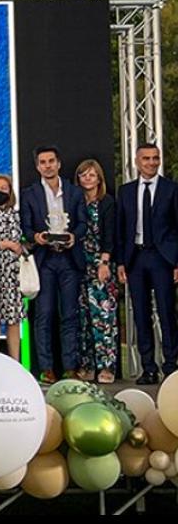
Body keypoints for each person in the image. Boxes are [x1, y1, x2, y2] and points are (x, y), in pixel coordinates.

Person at [20, 145, 87, 383]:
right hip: (44, 260)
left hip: (69, 259)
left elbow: (82, 223)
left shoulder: (74, 192)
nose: (47, 165)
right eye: (43, 162)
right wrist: (35, 237)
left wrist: (74, 237)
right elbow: (26, 228)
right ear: (38, 166)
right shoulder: (29, 194)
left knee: (69, 315)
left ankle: (70, 367)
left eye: (51, 161)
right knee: (44, 314)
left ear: (59, 163)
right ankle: (46, 368)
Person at [114, 142, 178, 385]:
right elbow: (121, 229)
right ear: (137, 162)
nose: (152, 162)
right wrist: (121, 262)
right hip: (136, 258)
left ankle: (171, 366)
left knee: (166, 312)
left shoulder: (171, 189)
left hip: (163, 258)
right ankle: (148, 367)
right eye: (147, 159)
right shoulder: (126, 191)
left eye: (155, 158)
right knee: (140, 314)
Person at [75, 159, 117, 384]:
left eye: (92, 175)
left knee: (103, 317)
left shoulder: (106, 202)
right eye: (83, 175)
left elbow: (110, 234)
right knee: (83, 318)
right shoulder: (74, 201)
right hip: (79, 265)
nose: (88, 179)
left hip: (100, 264)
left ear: (99, 178)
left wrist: (104, 261)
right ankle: (88, 365)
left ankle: (106, 367)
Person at [0, 174, 26, 361]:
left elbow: (22, 242)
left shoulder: (15, 214)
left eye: (4, 188)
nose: (0, 192)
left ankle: (15, 362)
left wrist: (18, 247)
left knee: (13, 319)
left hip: (12, 273)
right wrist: (4, 244)